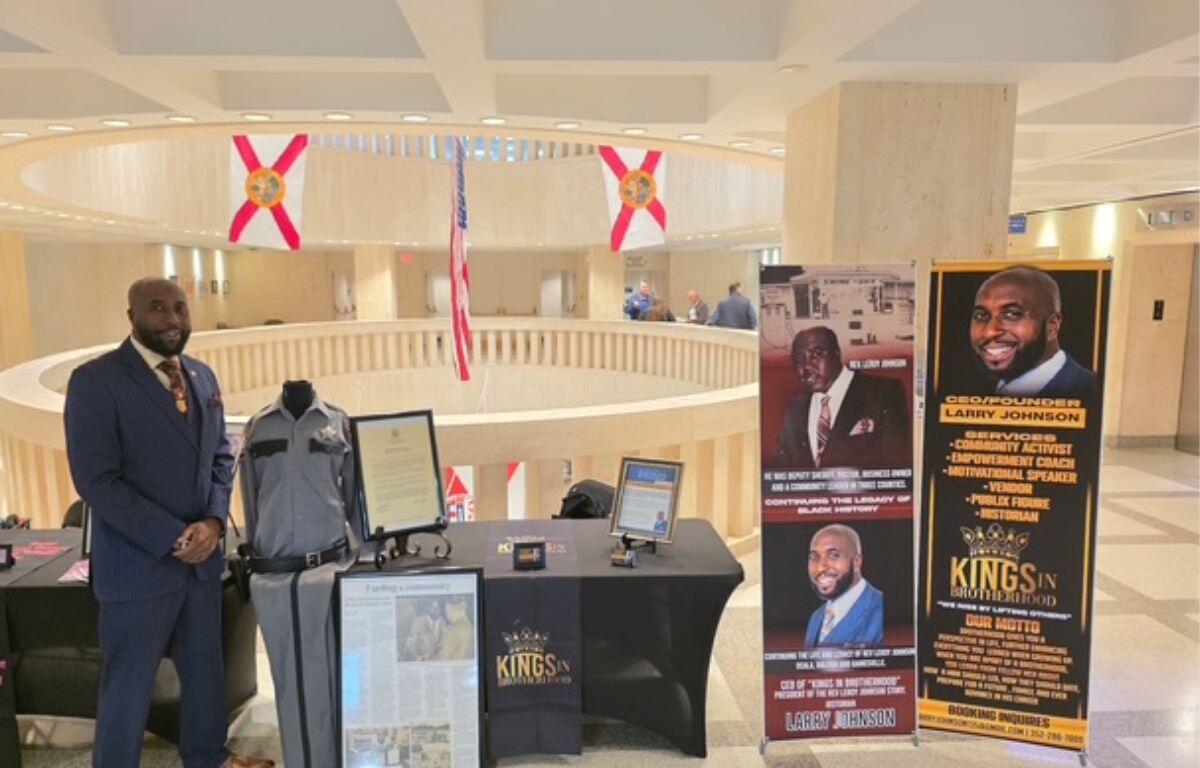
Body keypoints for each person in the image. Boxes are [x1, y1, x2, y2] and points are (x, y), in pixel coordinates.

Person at [63, 277, 271, 768]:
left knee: (204, 675)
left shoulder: (202, 376)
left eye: (180, 307)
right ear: (131, 315)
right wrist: (173, 535)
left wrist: (215, 524)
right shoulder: (97, 381)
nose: (173, 318)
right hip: (139, 569)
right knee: (128, 687)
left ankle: (209, 757)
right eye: (157, 308)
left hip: (200, 566)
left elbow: (223, 456)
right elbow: (96, 480)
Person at [774, 327, 910, 468]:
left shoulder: (885, 393)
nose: (806, 366)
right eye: (799, 359)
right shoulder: (796, 409)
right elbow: (782, 468)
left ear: (836, 353)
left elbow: (897, 465)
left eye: (816, 354)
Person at [970, 266, 1096, 397]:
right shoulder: (982, 393)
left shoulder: (1095, 393)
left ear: (1052, 326)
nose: (989, 332)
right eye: (981, 316)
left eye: (1011, 314)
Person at [804, 524, 883, 647]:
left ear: (856, 562)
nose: (820, 567)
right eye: (814, 557)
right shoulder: (817, 617)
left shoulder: (881, 612)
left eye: (833, 556)